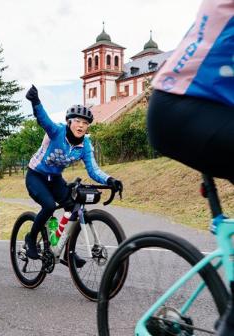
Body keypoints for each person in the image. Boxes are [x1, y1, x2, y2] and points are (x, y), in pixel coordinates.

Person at [146, 2, 233, 334]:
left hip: (213, 108)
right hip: (181, 105)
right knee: (52, 204)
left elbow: (93, 165)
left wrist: (106, 179)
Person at [23, 85, 123, 266]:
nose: (81, 126)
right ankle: (31, 238)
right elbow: (44, 120)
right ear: (69, 122)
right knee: (48, 206)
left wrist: (110, 180)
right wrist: (35, 102)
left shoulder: (85, 145)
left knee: (73, 208)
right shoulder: (57, 132)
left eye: (85, 123)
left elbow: (93, 170)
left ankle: (66, 251)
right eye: (77, 121)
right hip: (35, 176)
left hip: (55, 179)